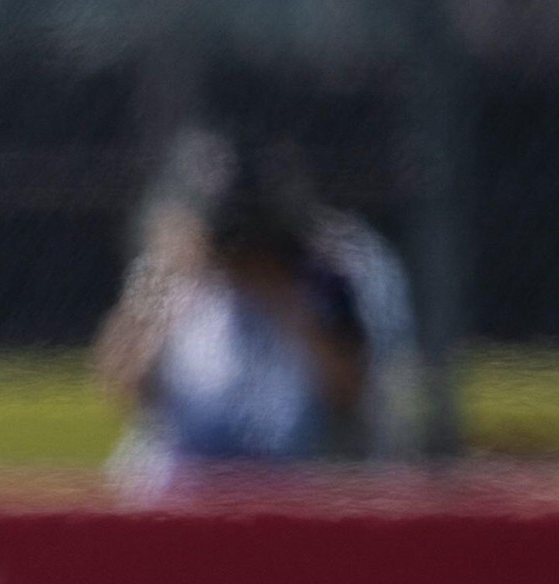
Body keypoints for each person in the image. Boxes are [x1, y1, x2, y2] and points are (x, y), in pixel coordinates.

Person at [97, 133, 379, 485]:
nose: (237, 250)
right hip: (186, 475)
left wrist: (284, 302)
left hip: (289, 473)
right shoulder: (168, 275)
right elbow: (120, 382)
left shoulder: (319, 279)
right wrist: (171, 285)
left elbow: (351, 392)